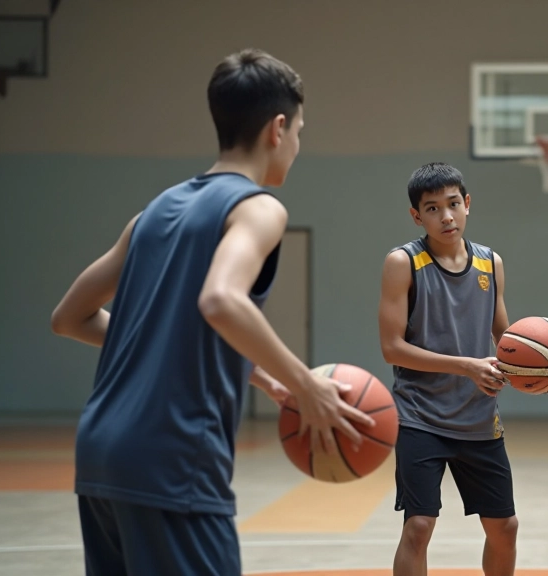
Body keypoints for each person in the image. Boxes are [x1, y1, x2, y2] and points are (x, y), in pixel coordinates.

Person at [49, 48, 375, 576]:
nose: (297, 145)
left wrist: (258, 374)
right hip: (172, 458)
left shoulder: (152, 213)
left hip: (101, 454)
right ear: (277, 128)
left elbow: (68, 317)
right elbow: (221, 300)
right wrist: (306, 385)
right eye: (299, 132)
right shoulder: (258, 208)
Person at [378, 162, 518, 576]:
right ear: (416, 216)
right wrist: (467, 367)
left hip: (479, 419)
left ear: (467, 203)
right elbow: (392, 348)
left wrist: (547, 366)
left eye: (453, 204)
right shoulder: (403, 263)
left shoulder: (490, 263)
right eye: (433, 208)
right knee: (419, 526)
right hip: (420, 417)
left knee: (505, 527)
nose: (446, 216)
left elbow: (506, 338)